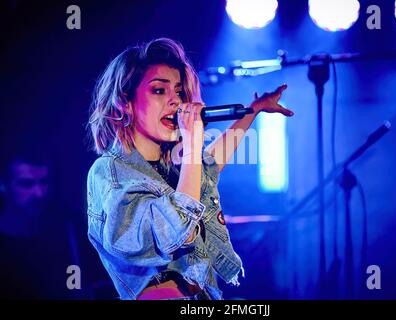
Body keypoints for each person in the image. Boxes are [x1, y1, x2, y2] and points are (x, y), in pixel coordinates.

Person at [87, 37, 294, 300]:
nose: (176, 102)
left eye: (180, 92)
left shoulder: (173, 165)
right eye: (160, 91)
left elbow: (210, 166)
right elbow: (176, 233)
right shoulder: (111, 172)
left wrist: (252, 111)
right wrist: (194, 143)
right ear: (125, 102)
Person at [0, 148, 80, 299]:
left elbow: (74, 280)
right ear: (3, 185)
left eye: (44, 182)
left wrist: (76, 288)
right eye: (26, 183)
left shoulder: (66, 231)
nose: (40, 193)